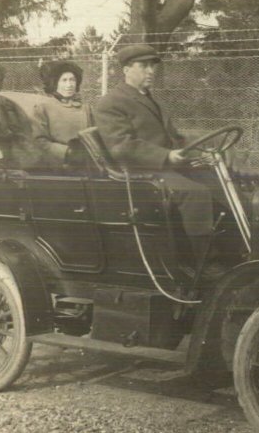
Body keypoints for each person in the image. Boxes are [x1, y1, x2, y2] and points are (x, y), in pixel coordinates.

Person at [94, 44, 226, 273]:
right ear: (126, 69)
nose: (150, 71)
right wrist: (166, 156)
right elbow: (121, 146)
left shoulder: (151, 99)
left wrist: (202, 152)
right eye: (143, 66)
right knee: (196, 194)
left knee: (225, 182)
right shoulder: (111, 102)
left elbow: (174, 138)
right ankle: (204, 265)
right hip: (140, 172)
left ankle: (236, 253)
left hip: (165, 167)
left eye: (152, 66)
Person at [32, 60, 96, 168]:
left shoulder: (87, 108)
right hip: (59, 166)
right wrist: (68, 152)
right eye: (64, 80)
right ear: (55, 83)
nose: (69, 85)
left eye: (72, 80)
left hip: (87, 165)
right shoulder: (43, 108)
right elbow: (39, 142)